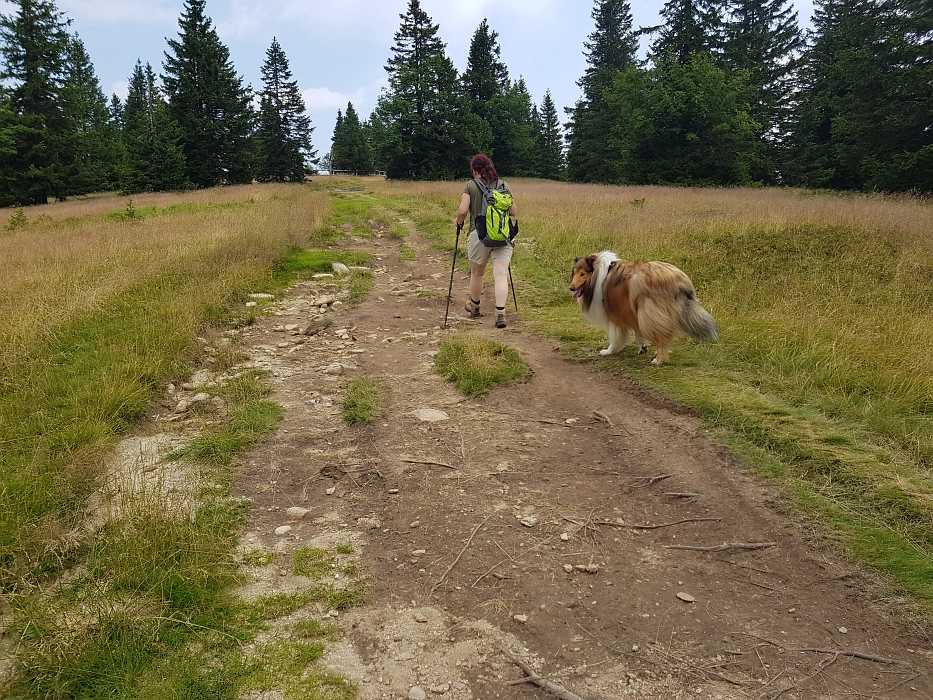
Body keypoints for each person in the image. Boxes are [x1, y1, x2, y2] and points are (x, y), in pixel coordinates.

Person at [454, 153, 517, 328]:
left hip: (479, 235)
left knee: (477, 273)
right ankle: (500, 314)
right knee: (501, 274)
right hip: (503, 236)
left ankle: (474, 306)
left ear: (474, 170)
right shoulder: (503, 185)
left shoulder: (470, 185)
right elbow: (513, 211)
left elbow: (462, 211)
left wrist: (458, 223)